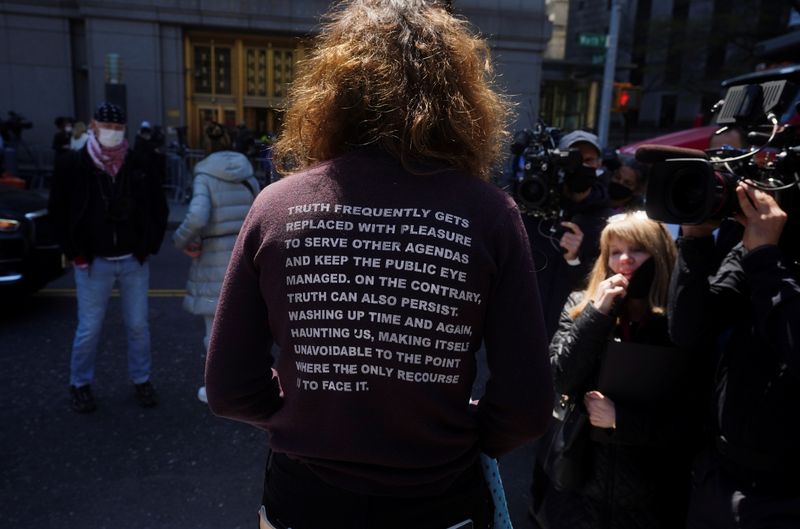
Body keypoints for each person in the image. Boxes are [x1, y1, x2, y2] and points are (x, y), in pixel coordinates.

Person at [204, 1, 554, 528]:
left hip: (304, 497)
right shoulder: (487, 213)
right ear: (460, 98)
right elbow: (527, 404)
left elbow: (230, 389)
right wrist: (461, 436)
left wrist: (303, 415)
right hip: (437, 497)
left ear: (330, 94)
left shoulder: (277, 206)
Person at [541, 211, 695, 529]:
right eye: (615, 252)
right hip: (578, 489)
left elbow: (692, 419)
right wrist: (597, 315)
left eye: (636, 250)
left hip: (649, 499)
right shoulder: (581, 305)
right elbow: (560, 378)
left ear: (660, 255)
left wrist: (622, 420)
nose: (624, 260)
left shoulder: (678, 322)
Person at [669, 182, 800, 527]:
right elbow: (690, 329)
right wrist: (695, 238)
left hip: (785, 493)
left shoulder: (764, 250)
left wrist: (765, 258)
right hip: (719, 476)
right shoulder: (758, 241)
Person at [48, 102, 169, 413]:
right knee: (89, 327)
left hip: (133, 259)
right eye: (107, 126)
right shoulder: (74, 164)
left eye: (118, 128)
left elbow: (158, 207)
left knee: (138, 325)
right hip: (92, 261)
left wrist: (148, 245)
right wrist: (73, 251)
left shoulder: (138, 162)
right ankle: (80, 384)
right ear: (93, 125)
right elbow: (58, 211)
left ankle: (142, 379)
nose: (112, 133)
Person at [172, 121, 259, 404]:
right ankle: (246, 383)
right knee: (243, 326)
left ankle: (215, 389)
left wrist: (181, 240)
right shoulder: (248, 173)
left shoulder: (205, 175)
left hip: (213, 257)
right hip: (243, 256)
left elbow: (197, 216)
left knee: (214, 331)